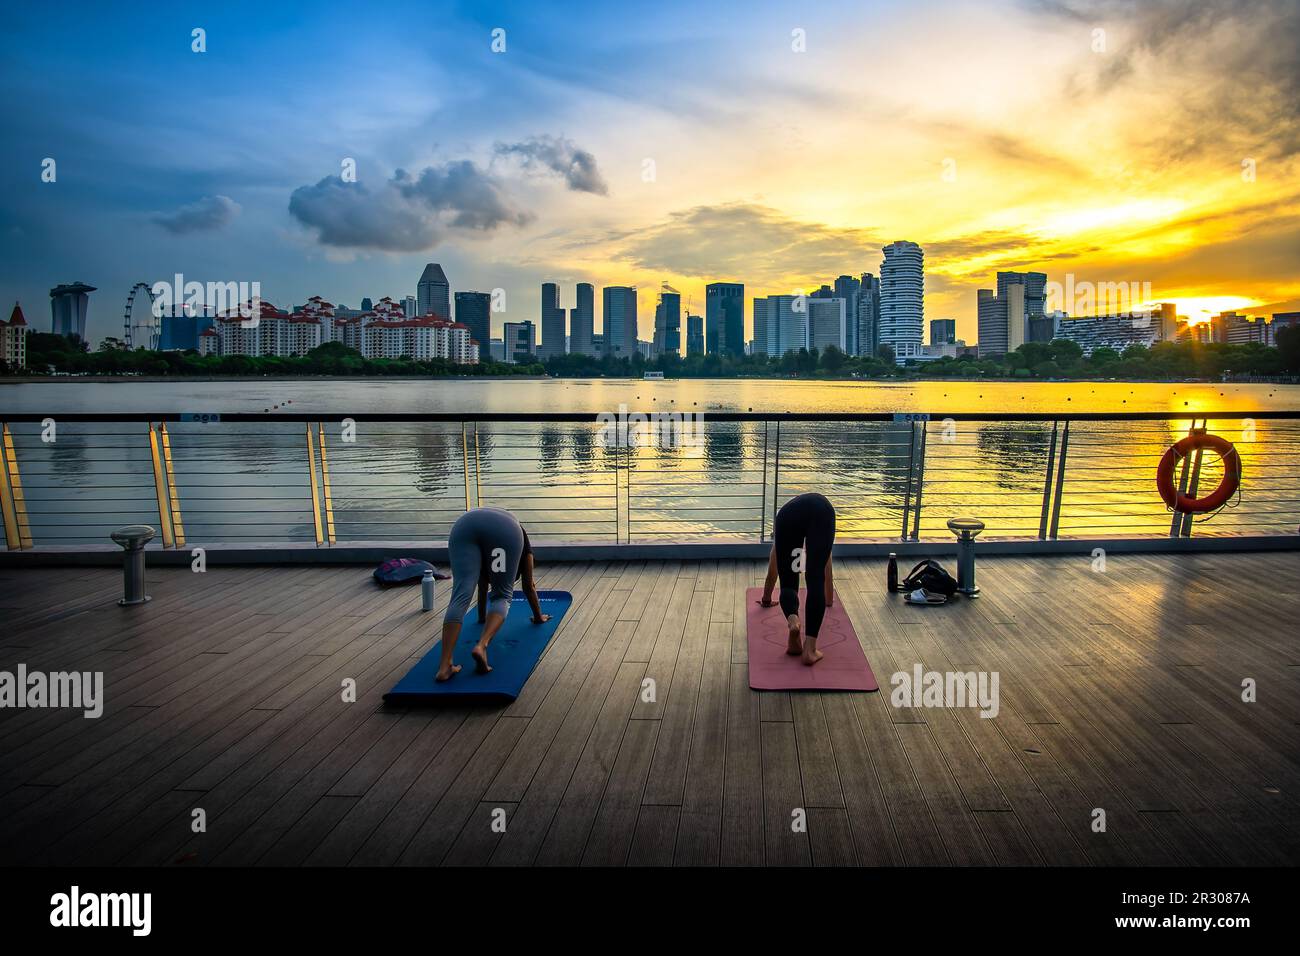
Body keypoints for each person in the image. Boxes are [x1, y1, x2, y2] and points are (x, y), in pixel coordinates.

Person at [436, 507, 549, 681]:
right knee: (502, 595)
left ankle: (444, 666)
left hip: (464, 525)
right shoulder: (519, 538)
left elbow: (482, 587)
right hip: (503, 529)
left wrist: (481, 617)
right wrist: (538, 617)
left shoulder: (486, 556)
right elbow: (528, 585)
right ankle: (481, 646)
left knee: (460, 595)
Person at [758, 492, 836, 666]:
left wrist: (766, 598)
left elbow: (774, 566)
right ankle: (810, 650)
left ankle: (793, 621)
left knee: (788, 582)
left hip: (786, 517)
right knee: (814, 577)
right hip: (821, 512)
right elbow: (826, 570)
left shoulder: (786, 520)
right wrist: (829, 599)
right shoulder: (820, 510)